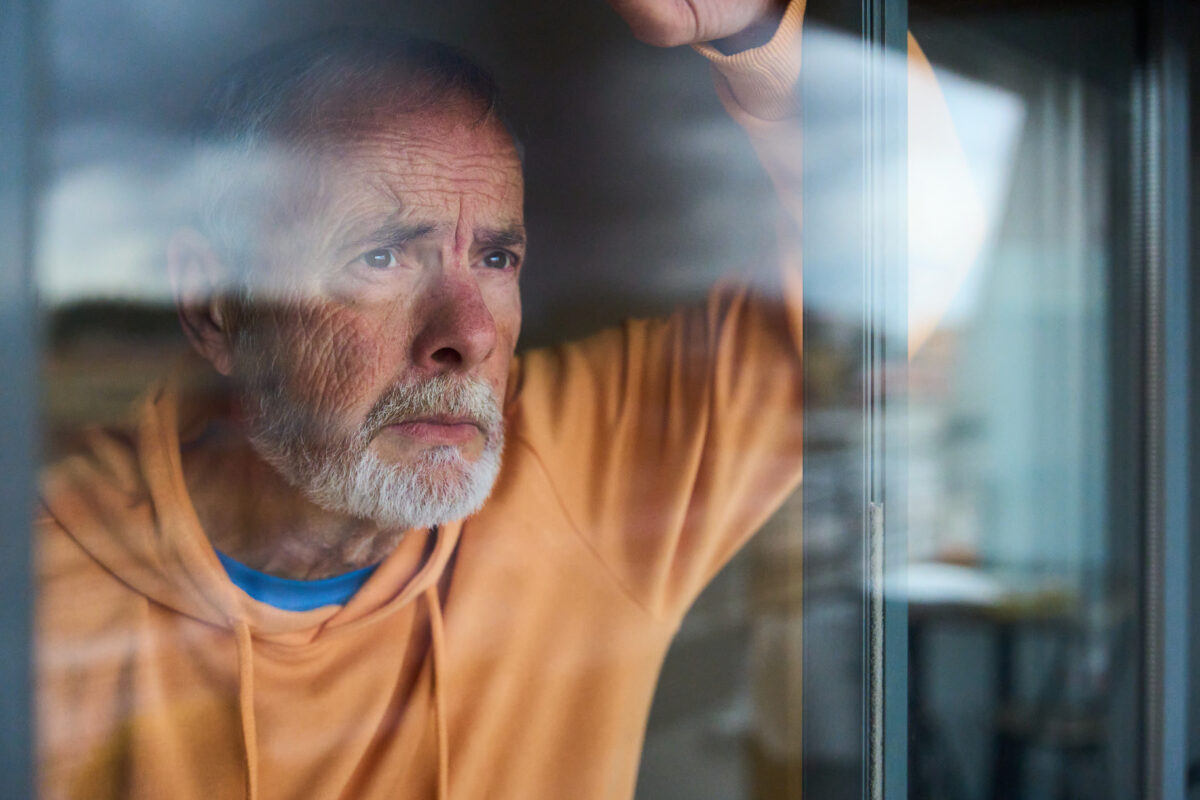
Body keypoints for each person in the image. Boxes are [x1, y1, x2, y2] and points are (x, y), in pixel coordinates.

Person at [37, 0, 966, 797]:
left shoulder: (578, 471)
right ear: (214, 306)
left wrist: (754, 22)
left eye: (496, 258)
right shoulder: (37, 579)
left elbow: (905, 267)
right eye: (383, 255)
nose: (470, 335)